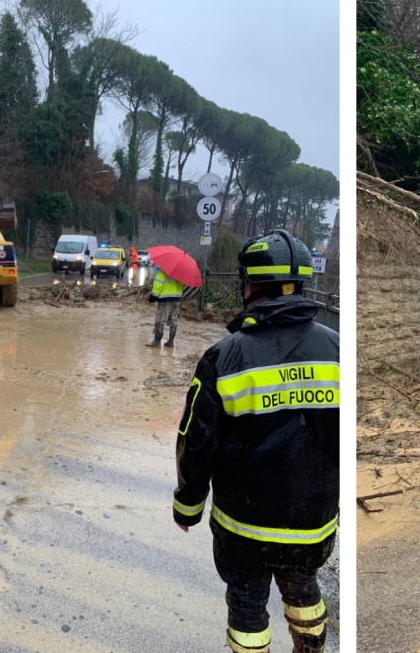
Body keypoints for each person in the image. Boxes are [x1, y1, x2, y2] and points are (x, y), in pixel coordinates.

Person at [172, 229, 338, 653]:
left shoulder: (224, 356)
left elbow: (196, 441)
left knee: (247, 603)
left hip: (243, 527)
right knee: (304, 587)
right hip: (313, 524)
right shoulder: (339, 350)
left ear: (249, 286)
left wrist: (188, 505)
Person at [148, 263, 185, 347]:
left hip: (165, 299)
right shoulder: (180, 273)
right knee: (174, 321)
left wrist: (153, 298)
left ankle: (157, 342)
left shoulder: (163, 272)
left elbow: (158, 286)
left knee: (160, 320)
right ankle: (171, 342)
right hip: (176, 299)